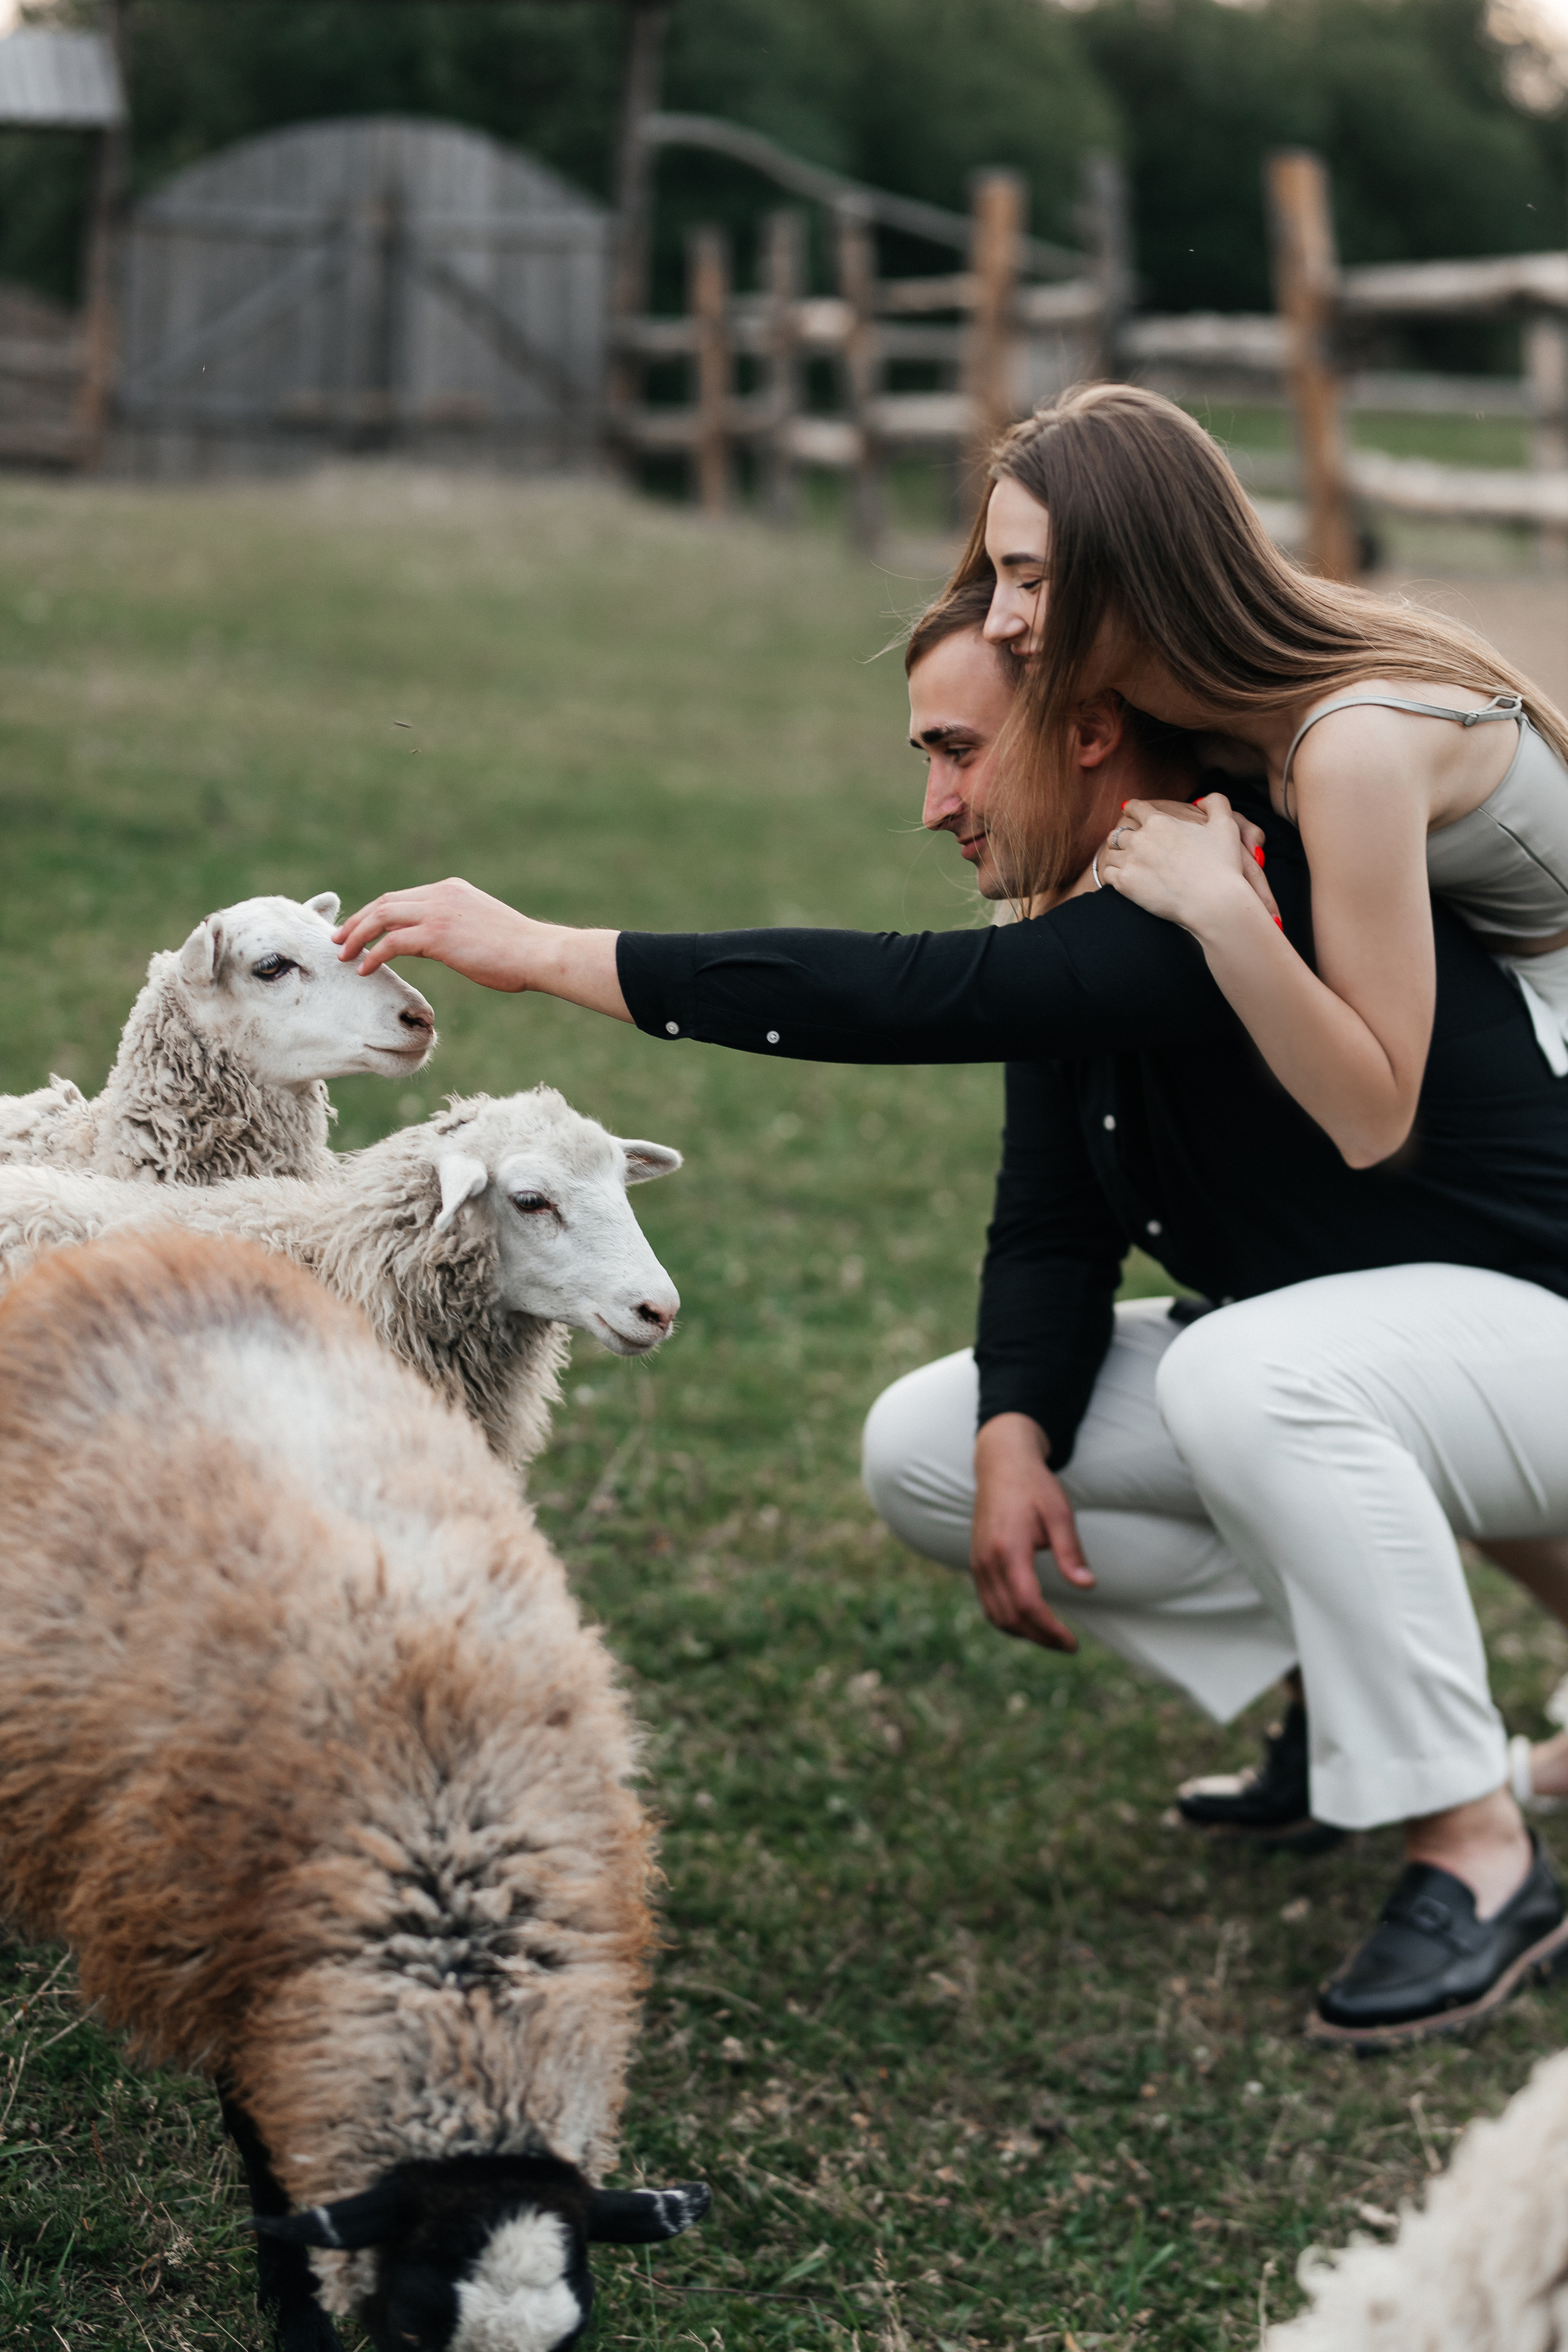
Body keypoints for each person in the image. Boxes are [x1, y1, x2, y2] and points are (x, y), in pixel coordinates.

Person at [332, 595, 1568, 2050]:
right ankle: (1352, 1700)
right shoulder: (1072, 919)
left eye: (956, 751)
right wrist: (1012, 1429)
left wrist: (546, 949)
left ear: (1089, 731)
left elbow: (906, 996)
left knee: (1243, 1373)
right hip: (1384, 1366)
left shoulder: (1232, 876)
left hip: (1528, 1341)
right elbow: (1049, 1216)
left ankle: (1476, 1851)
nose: (933, 805)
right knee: (930, 1443)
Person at [966, 383, 1568, 1182]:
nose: (997, 622)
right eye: (998, 579)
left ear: (1141, 571)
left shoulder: (1350, 747)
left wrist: (1218, 905)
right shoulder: (1196, 713)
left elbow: (1374, 1121)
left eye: (1032, 581)